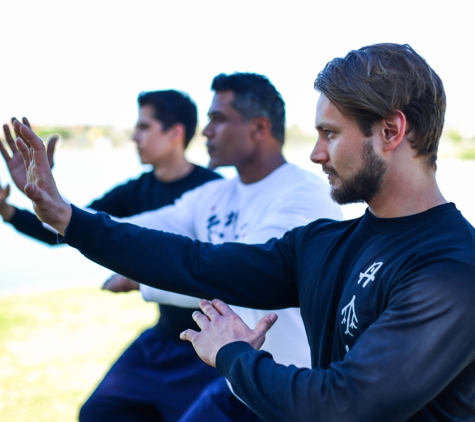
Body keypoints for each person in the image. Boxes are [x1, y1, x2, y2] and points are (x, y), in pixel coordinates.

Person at [15, 43, 475, 421]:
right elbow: (195, 262)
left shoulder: (449, 269)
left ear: (392, 130)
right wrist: (67, 218)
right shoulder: (324, 244)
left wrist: (234, 354)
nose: (315, 154)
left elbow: (344, 405)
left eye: (330, 134)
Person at [0, 90, 223, 422]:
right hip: (161, 339)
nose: (134, 136)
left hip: (207, 350)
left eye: (144, 127)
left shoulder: (215, 191)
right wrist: (12, 208)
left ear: (175, 133)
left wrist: (139, 281)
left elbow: (225, 274)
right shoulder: (136, 190)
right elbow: (71, 229)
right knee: (97, 412)